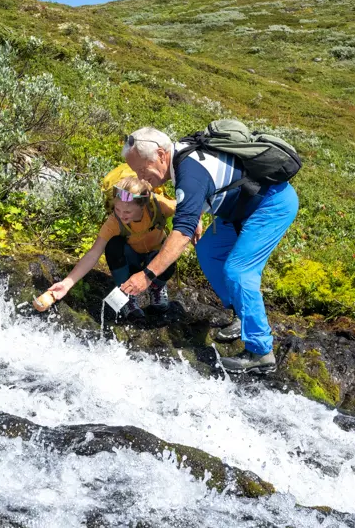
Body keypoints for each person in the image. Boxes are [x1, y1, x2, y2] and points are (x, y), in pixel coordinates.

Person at [120, 126, 298, 374]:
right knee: (208, 251)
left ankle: (260, 352)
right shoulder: (181, 155)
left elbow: (181, 233)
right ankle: (240, 314)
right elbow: (209, 184)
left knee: (239, 271)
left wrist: (147, 275)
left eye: (141, 169)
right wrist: (196, 213)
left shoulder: (190, 173)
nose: (140, 177)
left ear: (161, 155)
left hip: (271, 205)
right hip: (240, 207)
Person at [45, 176, 176, 321]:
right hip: (132, 260)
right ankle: (127, 293)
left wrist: (198, 224)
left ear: (142, 205)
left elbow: (191, 207)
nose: (121, 215)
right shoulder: (114, 222)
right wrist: (66, 284)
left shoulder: (158, 206)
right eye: (118, 209)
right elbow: (93, 253)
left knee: (169, 253)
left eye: (127, 212)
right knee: (113, 245)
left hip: (155, 258)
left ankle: (157, 287)